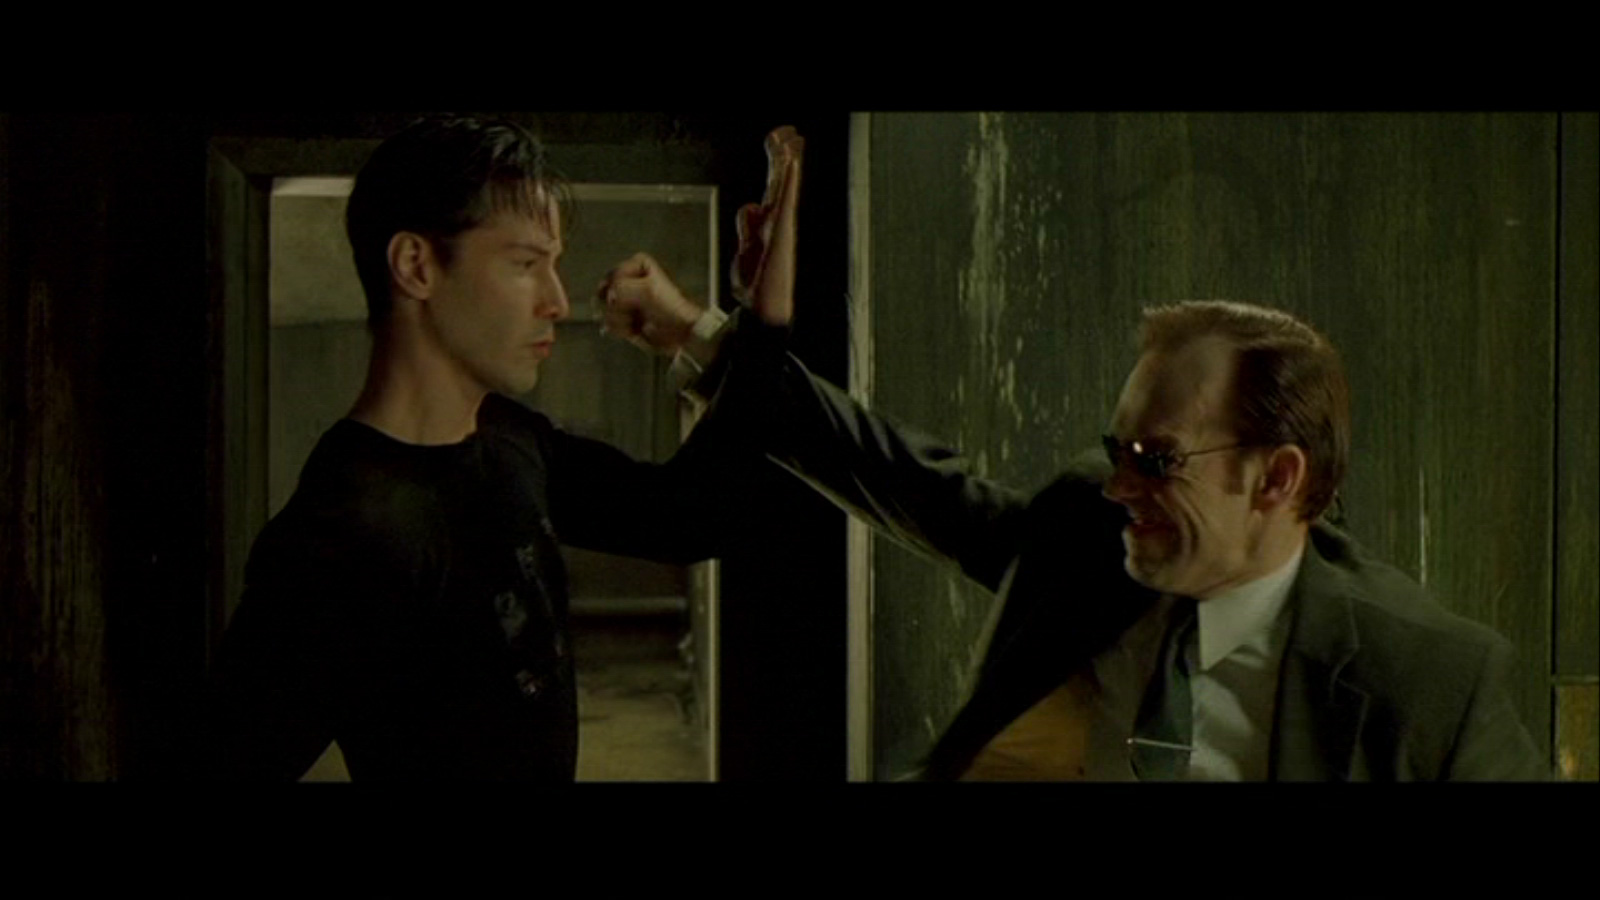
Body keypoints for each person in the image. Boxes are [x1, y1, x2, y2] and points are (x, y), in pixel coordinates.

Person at [604, 126, 1551, 781]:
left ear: (1276, 478)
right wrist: (698, 333)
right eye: (1118, 448)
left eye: (1158, 459)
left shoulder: (1427, 683)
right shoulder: (1083, 534)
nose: (1120, 486)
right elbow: (894, 474)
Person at [202, 115, 763, 780]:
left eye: (553, 265)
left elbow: (697, 515)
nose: (558, 301)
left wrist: (728, 328)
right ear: (416, 266)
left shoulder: (506, 435)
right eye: (525, 264)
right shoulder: (341, 536)